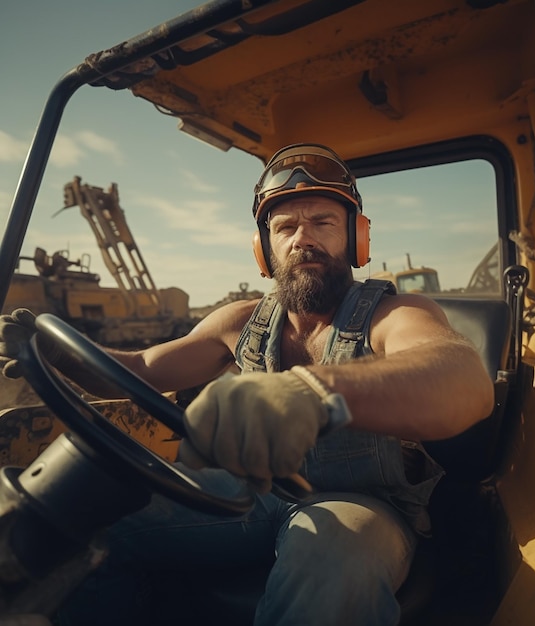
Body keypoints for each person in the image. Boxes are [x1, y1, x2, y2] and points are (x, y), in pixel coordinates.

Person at [0, 143, 494, 625]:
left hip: (367, 505)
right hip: (255, 494)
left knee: (334, 558)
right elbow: (145, 368)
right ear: (264, 247)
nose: (304, 238)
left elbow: (461, 377)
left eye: (322, 222)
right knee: (97, 515)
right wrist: (60, 354)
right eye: (286, 227)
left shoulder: (395, 314)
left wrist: (312, 391)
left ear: (356, 238)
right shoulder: (240, 320)